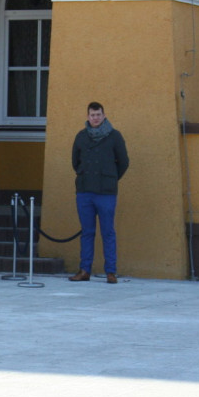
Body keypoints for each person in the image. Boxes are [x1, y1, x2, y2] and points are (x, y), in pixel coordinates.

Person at [70, 101, 129, 284]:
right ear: (88, 116)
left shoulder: (114, 136)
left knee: (108, 232)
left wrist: (110, 178)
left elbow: (124, 162)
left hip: (106, 192)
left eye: (98, 114)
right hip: (85, 191)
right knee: (87, 232)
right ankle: (84, 270)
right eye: (92, 115)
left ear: (104, 115)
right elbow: (75, 162)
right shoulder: (81, 136)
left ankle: (111, 271)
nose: (95, 118)